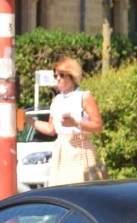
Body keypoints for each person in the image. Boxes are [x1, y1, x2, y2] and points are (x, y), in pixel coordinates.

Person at [31, 57, 104, 186]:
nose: (57, 79)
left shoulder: (84, 96)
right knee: (59, 193)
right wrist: (29, 121)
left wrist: (76, 123)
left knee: (80, 193)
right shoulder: (56, 100)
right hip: (61, 149)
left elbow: (98, 126)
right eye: (55, 75)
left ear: (72, 77)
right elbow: (51, 129)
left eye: (61, 75)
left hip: (80, 149)